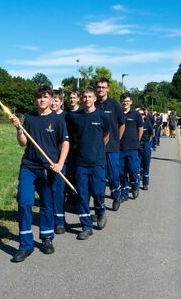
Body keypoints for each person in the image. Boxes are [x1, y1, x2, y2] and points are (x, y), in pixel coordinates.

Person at [10, 85, 70, 262]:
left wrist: (60, 163)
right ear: (35, 100)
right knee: (24, 202)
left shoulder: (58, 119)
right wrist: (19, 129)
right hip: (29, 167)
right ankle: (25, 245)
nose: (42, 100)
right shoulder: (29, 118)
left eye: (45, 96)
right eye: (39, 97)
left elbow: (65, 143)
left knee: (47, 204)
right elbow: (23, 143)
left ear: (51, 99)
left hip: (48, 169)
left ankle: (46, 237)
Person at [67, 87, 110, 240]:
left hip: (98, 162)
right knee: (82, 196)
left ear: (94, 99)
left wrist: (97, 149)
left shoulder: (102, 116)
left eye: (90, 96)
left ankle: (100, 211)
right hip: (81, 164)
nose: (87, 99)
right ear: (81, 99)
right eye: (84, 97)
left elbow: (106, 135)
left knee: (98, 192)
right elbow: (73, 136)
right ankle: (86, 227)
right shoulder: (76, 117)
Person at [95, 78, 125, 211]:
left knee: (113, 175)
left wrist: (117, 139)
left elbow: (122, 124)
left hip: (112, 147)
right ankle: (100, 207)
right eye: (98, 87)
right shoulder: (92, 104)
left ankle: (116, 195)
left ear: (108, 89)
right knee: (100, 178)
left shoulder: (114, 105)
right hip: (96, 148)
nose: (100, 89)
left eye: (103, 87)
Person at [119, 93, 143, 201]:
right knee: (121, 172)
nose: (125, 103)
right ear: (121, 102)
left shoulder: (136, 114)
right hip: (120, 148)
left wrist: (137, 140)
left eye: (127, 101)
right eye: (124, 101)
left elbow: (140, 129)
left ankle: (135, 185)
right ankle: (124, 193)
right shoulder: (118, 113)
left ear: (131, 102)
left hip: (133, 147)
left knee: (133, 170)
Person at [50, 90, 68, 234]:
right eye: (52, 100)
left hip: (61, 160)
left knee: (58, 191)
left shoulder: (65, 117)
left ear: (61, 102)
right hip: (46, 160)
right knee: (47, 191)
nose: (53, 103)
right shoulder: (44, 116)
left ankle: (60, 221)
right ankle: (49, 218)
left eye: (56, 100)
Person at [138, 108, 154, 190]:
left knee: (146, 165)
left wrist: (148, 143)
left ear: (144, 115)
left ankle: (145, 184)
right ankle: (136, 184)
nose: (141, 116)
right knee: (137, 165)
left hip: (146, 145)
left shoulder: (147, 123)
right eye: (139, 114)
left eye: (142, 114)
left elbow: (152, 134)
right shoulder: (135, 123)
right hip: (137, 145)